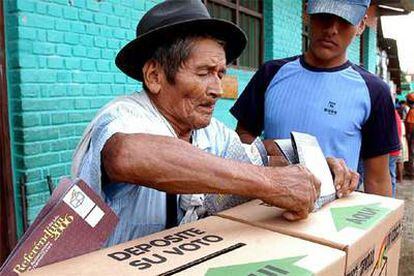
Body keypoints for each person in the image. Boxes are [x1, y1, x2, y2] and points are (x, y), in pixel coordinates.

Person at [70, 0, 356, 247]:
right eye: (204, 72)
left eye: (220, 73)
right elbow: (126, 156)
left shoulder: (208, 132)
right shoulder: (124, 116)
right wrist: (271, 184)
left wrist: (315, 165)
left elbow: (256, 156)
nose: (217, 89)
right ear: (155, 76)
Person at [230, 0, 399, 197]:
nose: (331, 29)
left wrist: (383, 225)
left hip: (334, 219)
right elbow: (242, 142)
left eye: (345, 20)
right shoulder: (271, 73)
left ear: (361, 25)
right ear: (306, 13)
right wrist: (279, 161)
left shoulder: (375, 91)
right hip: (267, 208)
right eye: (324, 16)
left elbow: (377, 179)